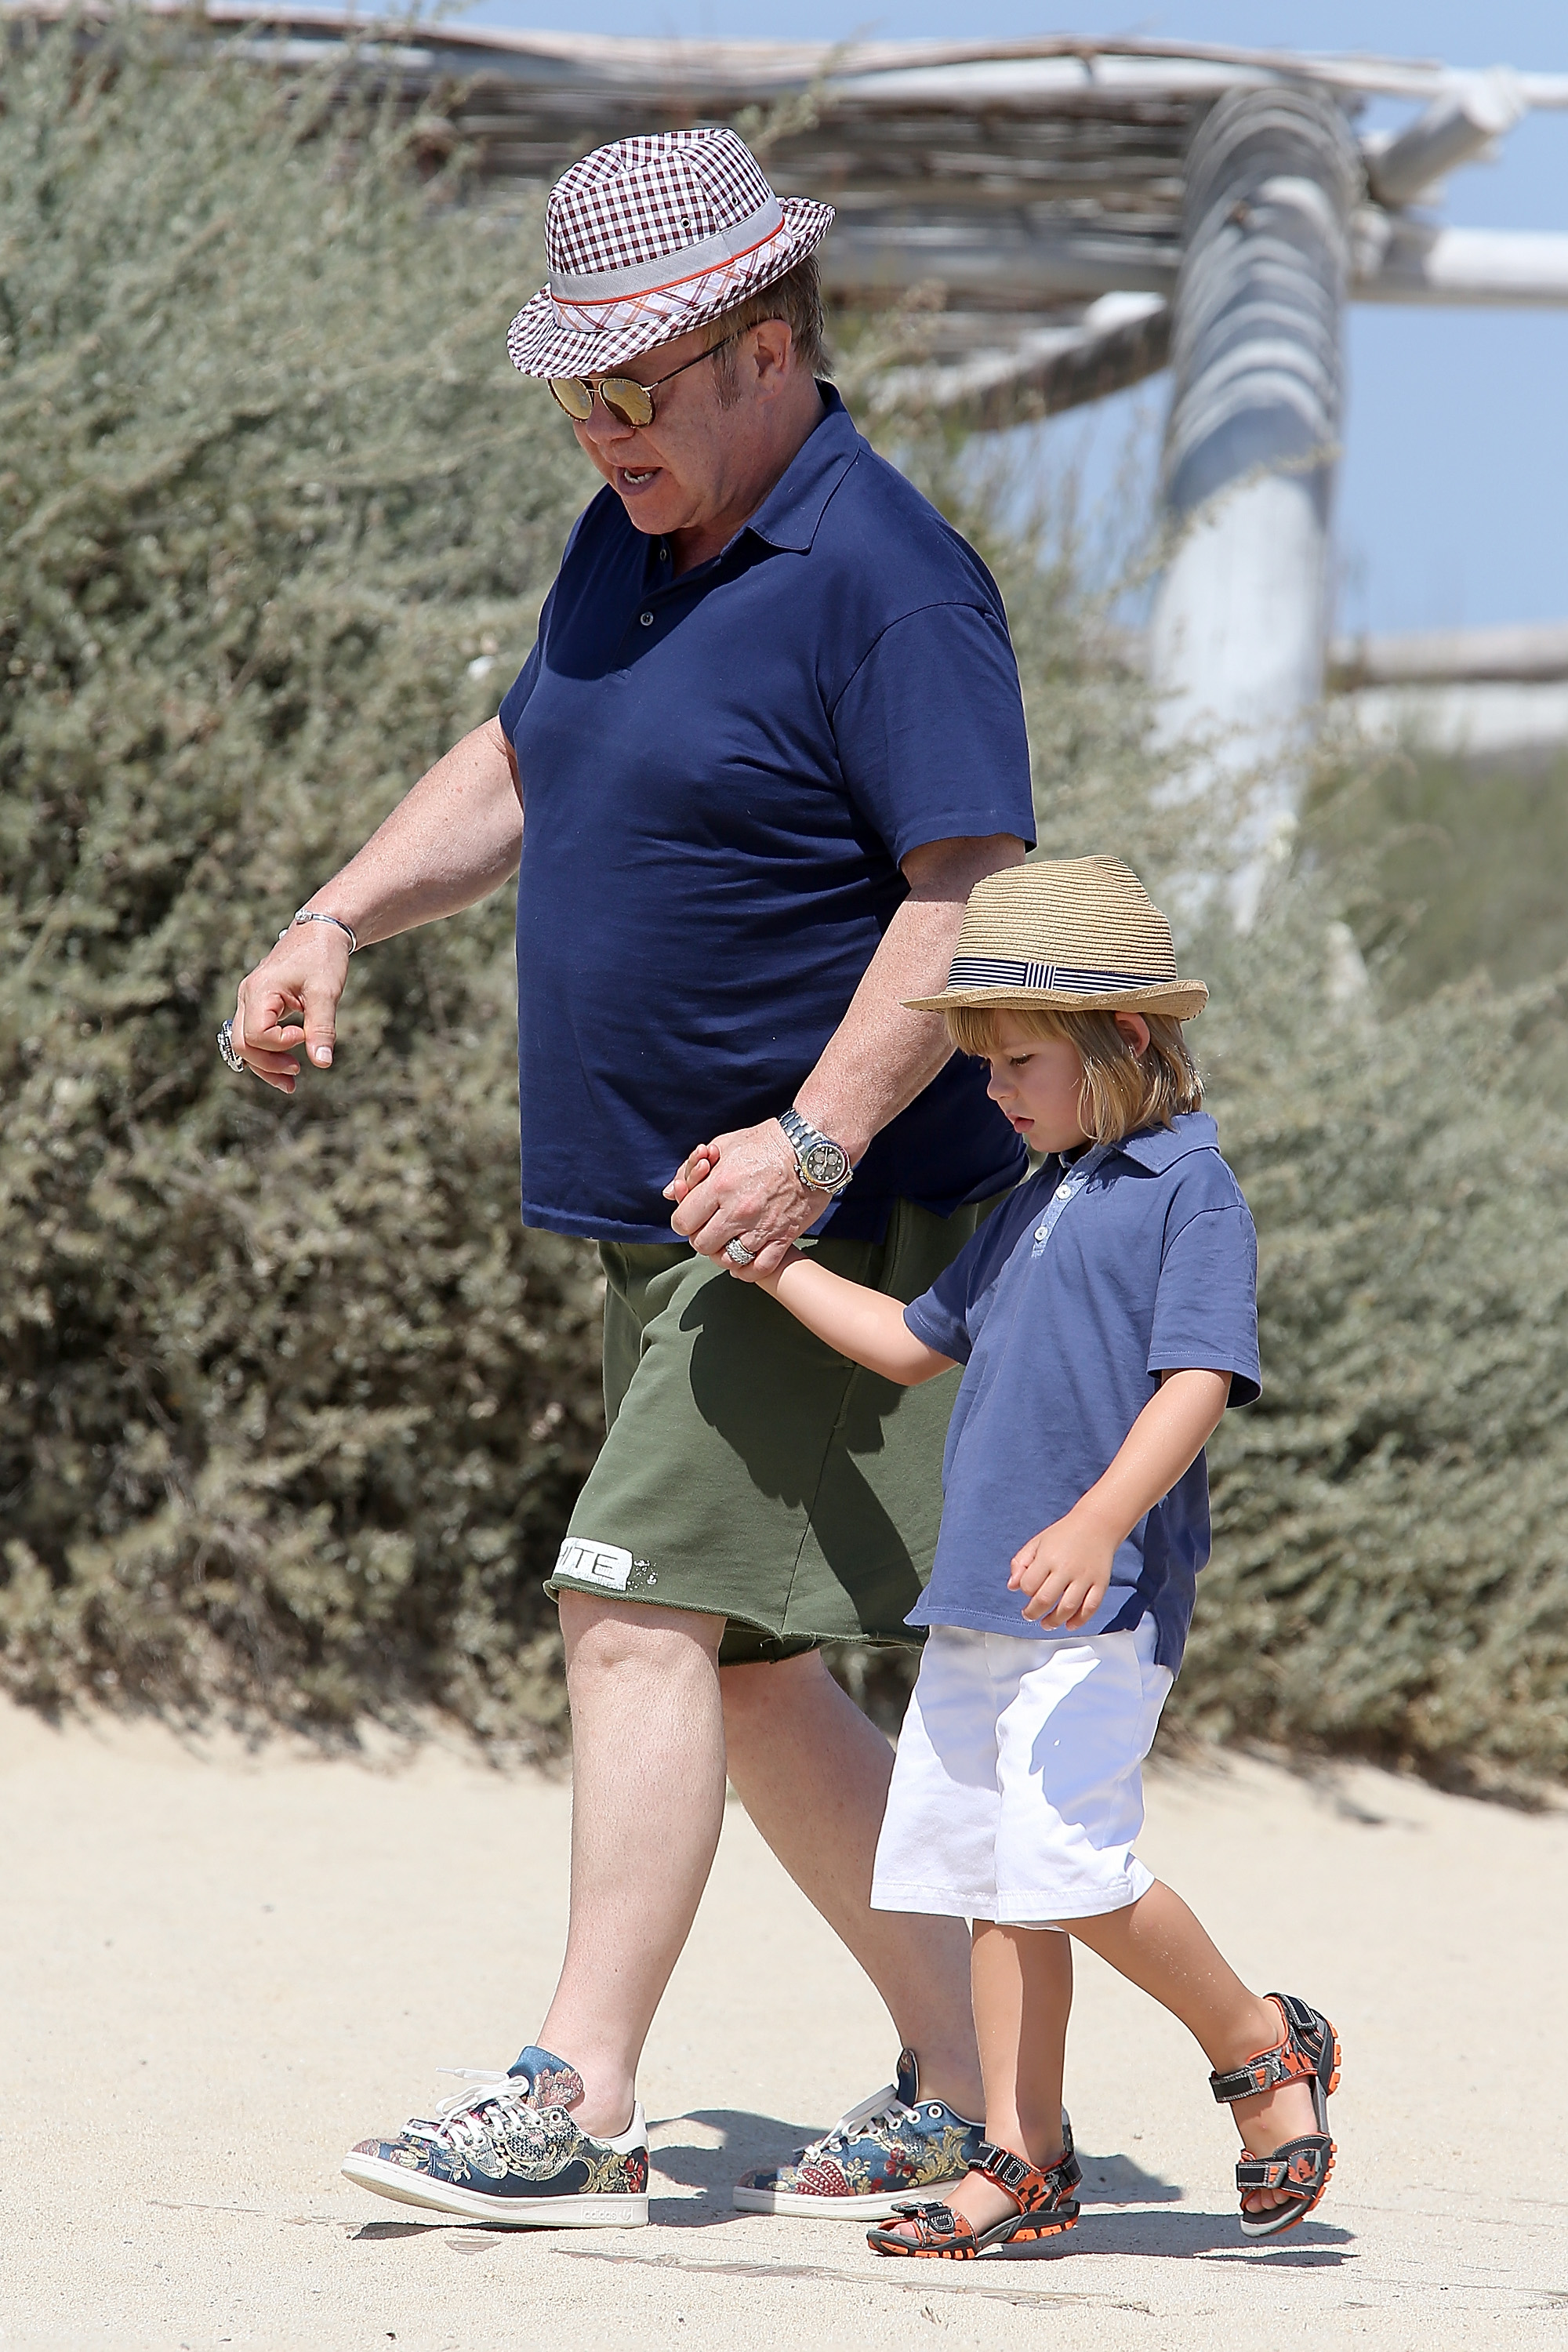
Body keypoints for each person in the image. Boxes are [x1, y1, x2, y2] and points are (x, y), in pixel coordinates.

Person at [220, 126, 1040, 2227]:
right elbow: (526, 752)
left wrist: (818, 1135)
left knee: (633, 1615)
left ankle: (574, 2089)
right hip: (675, 1211)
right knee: (760, 1669)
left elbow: (970, 897)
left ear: (768, 351)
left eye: (636, 394)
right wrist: (332, 915)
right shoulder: (640, 536)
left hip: (816, 1220)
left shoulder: (887, 577)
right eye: (575, 399)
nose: (601, 434)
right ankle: (970, 2081)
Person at [723, 855, 1342, 2257]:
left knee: (1067, 1861)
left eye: (1016, 1061)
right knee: (992, 1881)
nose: (994, 1090)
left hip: (1102, 1599)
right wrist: (772, 1261)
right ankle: (1022, 2158)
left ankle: (1261, 2048)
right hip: (983, 1600)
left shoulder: (1192, 1188)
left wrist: (1098, 1519)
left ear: (1125, 1038)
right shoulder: (1038, 1195)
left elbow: (1197, 1376)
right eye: (982, 1064)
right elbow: (906, 1342)